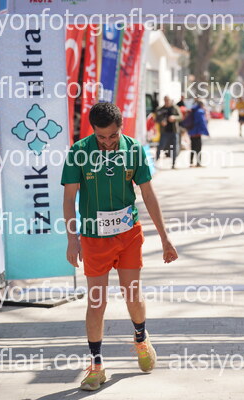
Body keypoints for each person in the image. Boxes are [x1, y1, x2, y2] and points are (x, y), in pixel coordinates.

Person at [61, 102, 179, 391]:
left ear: (121, 128)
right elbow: (69, 199)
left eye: (112, 136)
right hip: (93, 237)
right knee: (96, 302)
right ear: (93, 131)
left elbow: (148, 194)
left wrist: (165, 238)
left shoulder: (134, 150)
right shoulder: (79, 152)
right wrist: (72, 239)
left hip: (128, 235)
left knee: (132, 295)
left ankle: (141, 338)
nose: (107, 142)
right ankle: (96, 366)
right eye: (101, 137)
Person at [155, 96, 181, 169]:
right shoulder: (160, 109)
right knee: (161, 147)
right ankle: (155, 162)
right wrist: (161, 122)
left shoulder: (175, 108)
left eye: (168, 100)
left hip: (174, 131)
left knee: (174, 148)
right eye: (165, 100)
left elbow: (181, 117)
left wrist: (174, 118)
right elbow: (156, 119)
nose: (167, 102)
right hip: (164, 132)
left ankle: (173, 163)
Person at [188, 99, 209, 167]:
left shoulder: (193, 110)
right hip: (197, 132)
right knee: (198, 148)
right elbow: (202, 122)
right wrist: (206, 132)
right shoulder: (200, 111)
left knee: (192, 147)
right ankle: (198, 163)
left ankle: (191, 162)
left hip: (191, 132)